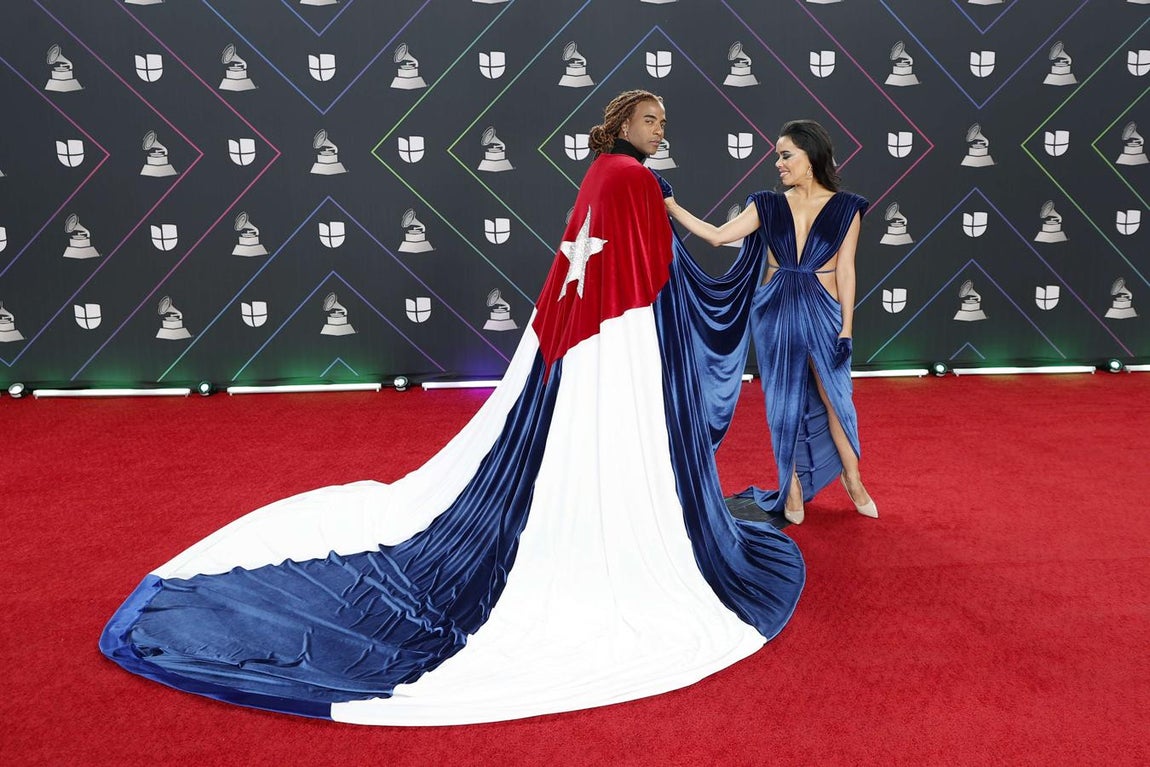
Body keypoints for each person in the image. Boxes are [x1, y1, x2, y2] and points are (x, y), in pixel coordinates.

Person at [99, 91, 805, 726]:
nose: (660, 130)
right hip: (610, 339)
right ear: (620, 122)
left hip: (581, 337)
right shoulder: (629, 178)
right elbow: (648, 271)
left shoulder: (605, 175)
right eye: (650, 119)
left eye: (663, 121)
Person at [663, 119, 878, 526]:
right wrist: (672, 208)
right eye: (778, 156)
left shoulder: (848, 207)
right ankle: (791, 485)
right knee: (783, 404)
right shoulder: (766, 203)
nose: (778, 163)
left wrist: (847, 325)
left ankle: (853, 478)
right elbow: (717, 236)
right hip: (775, 310)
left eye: (785, 155)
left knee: (837, 400)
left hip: (824, 310)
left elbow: (846, 269)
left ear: (810, 158)